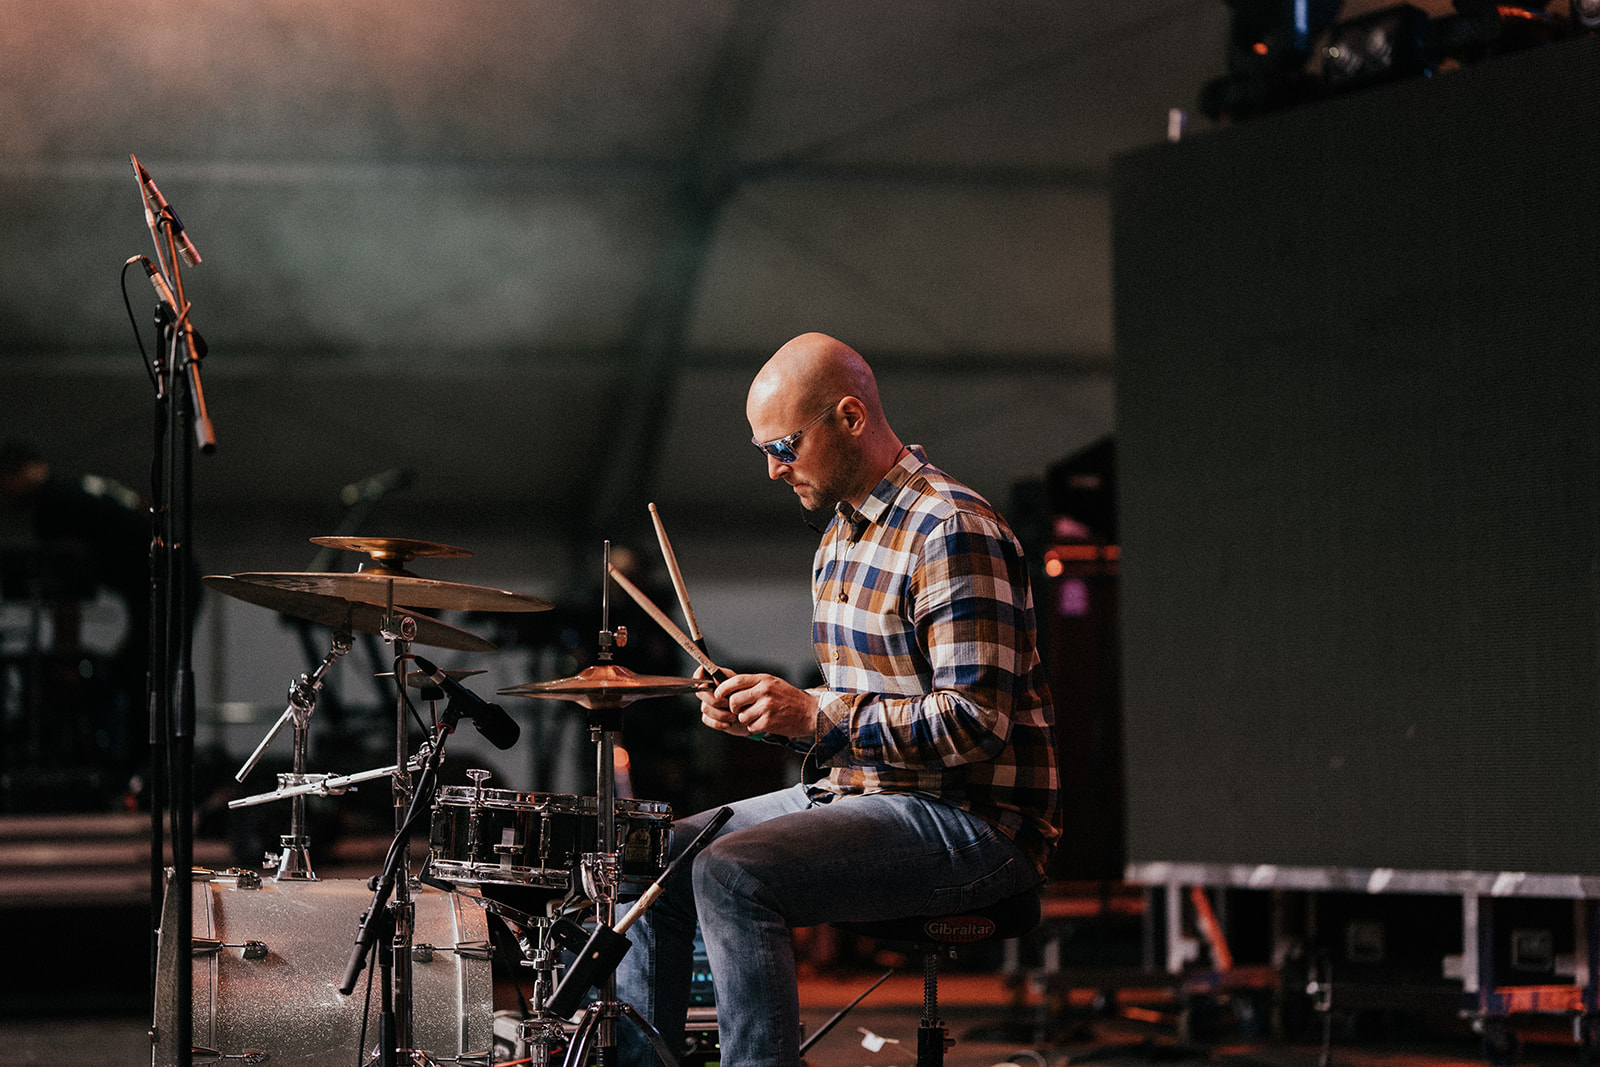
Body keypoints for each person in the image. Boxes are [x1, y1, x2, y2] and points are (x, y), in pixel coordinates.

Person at [615, 333, 1061, 1067]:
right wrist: (768, 716)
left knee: (732, 873)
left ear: (851, 418)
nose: (772, 469)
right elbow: (852, 713)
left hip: (975, 821)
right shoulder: (837, 540)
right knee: (649, 861)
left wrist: (812, 713)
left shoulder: (951, 529)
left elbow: (975, 722)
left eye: (783, 445)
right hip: (863, 796)